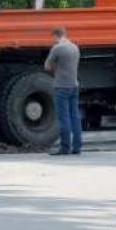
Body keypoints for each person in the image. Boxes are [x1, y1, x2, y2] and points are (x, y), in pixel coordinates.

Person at [44, 27, 82, 155]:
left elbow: (47, 66)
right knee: (75, 116)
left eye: (53, 37)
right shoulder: (75, 48)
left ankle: (65, 147)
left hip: (61, 86)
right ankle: (77, 147)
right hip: (74, 85)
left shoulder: (57, 49)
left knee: (64, 117)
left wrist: (56, 66)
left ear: (56, 36)